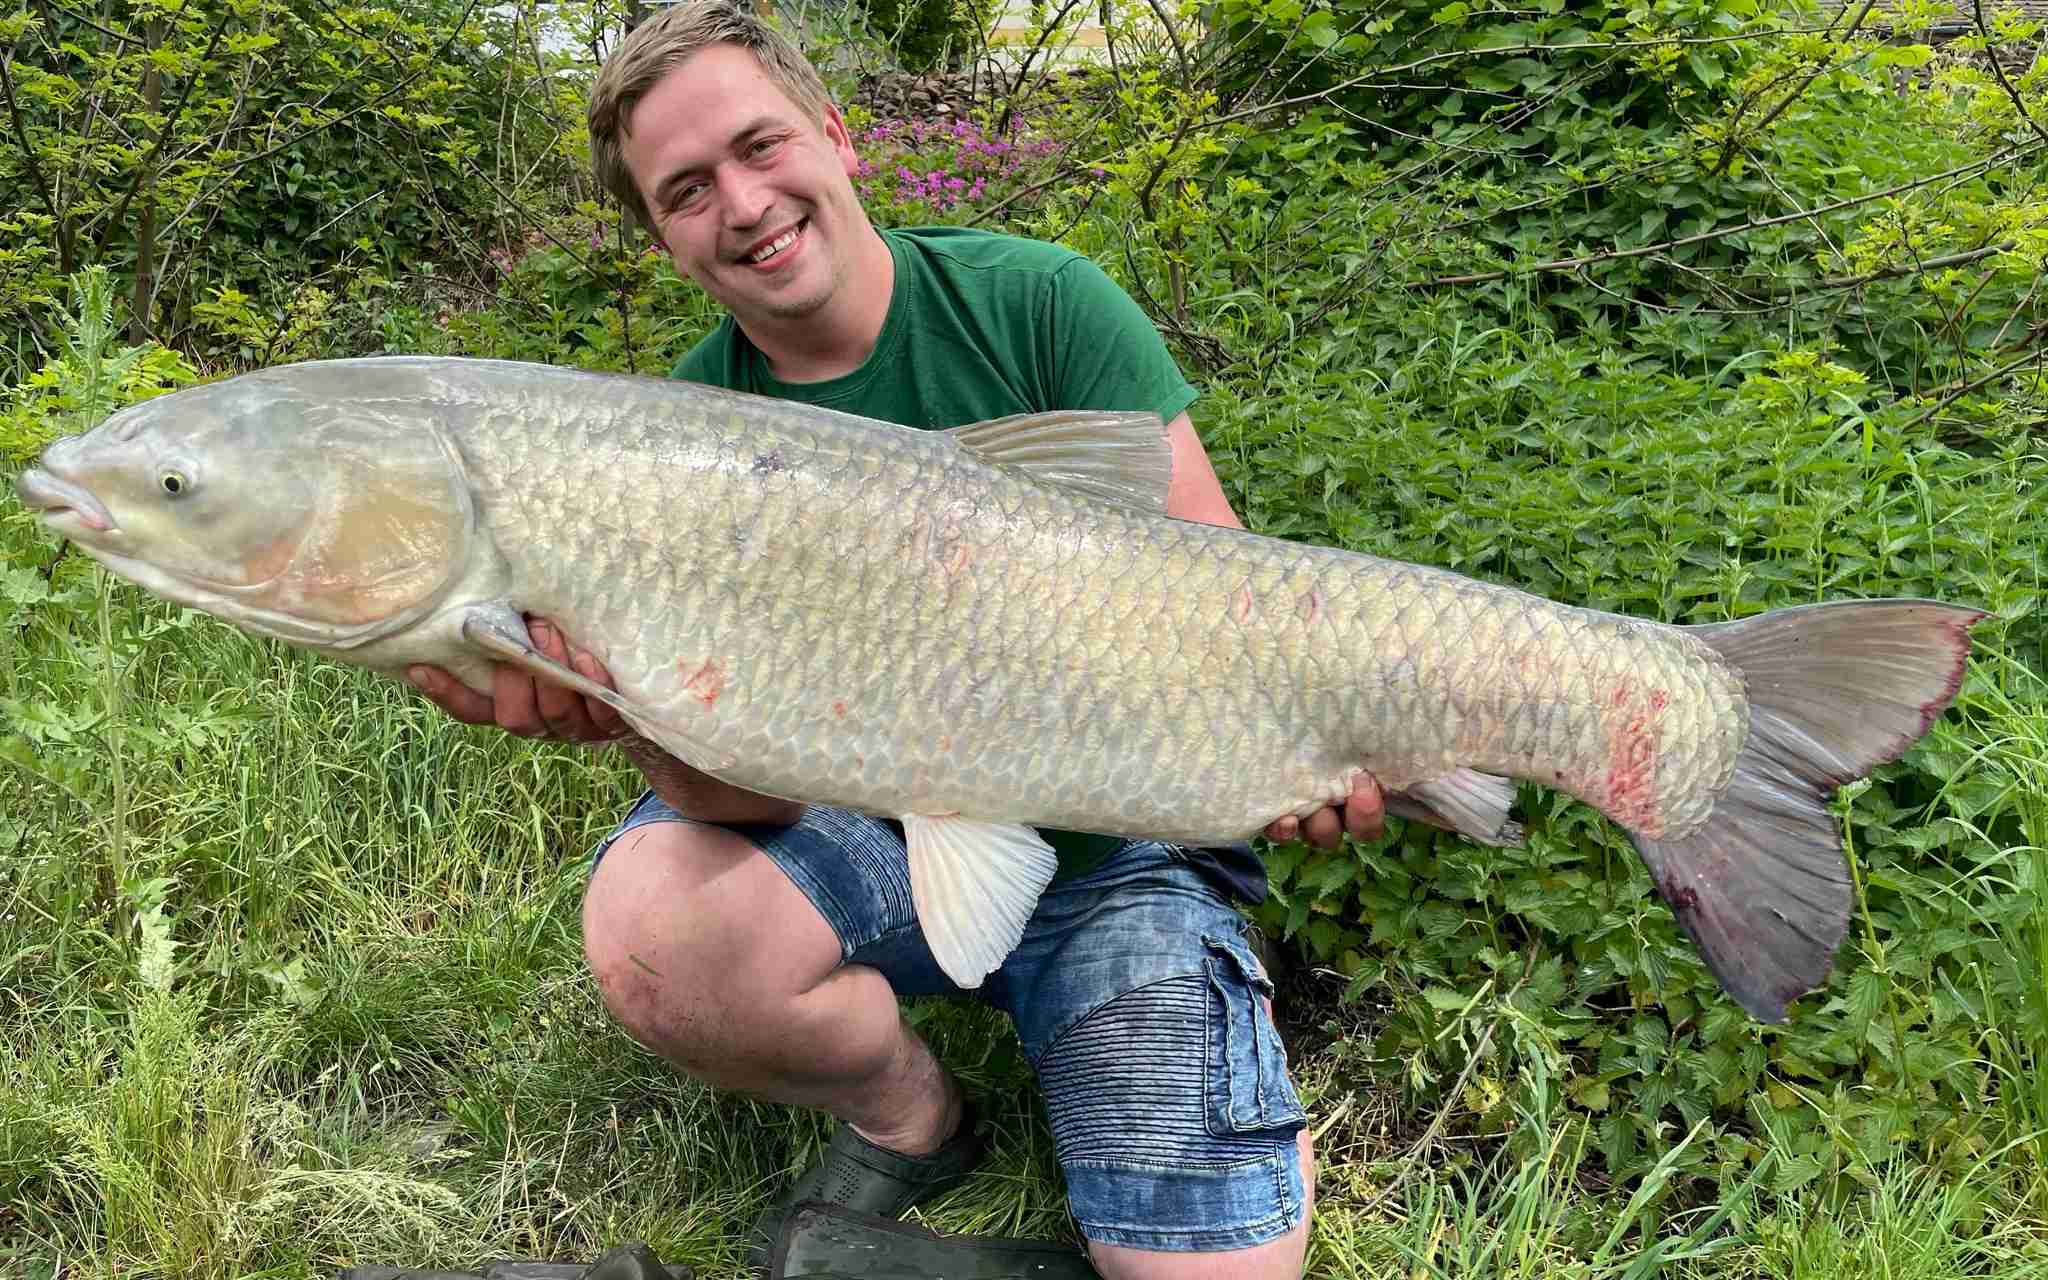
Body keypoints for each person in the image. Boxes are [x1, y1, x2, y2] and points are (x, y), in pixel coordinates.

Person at [408, 3, 1385, 1275]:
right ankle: (910, 1112)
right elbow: (737, 793)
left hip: (1121, 840)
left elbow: (1234, 599)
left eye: (760, 147)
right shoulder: (675, 441)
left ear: (834, 131)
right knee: (656, 921)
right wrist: (630, 713)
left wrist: (1313, 743)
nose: (744, 202)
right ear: (659, 234)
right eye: (687, 188)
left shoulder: (1036, 302)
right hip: (869, 827)